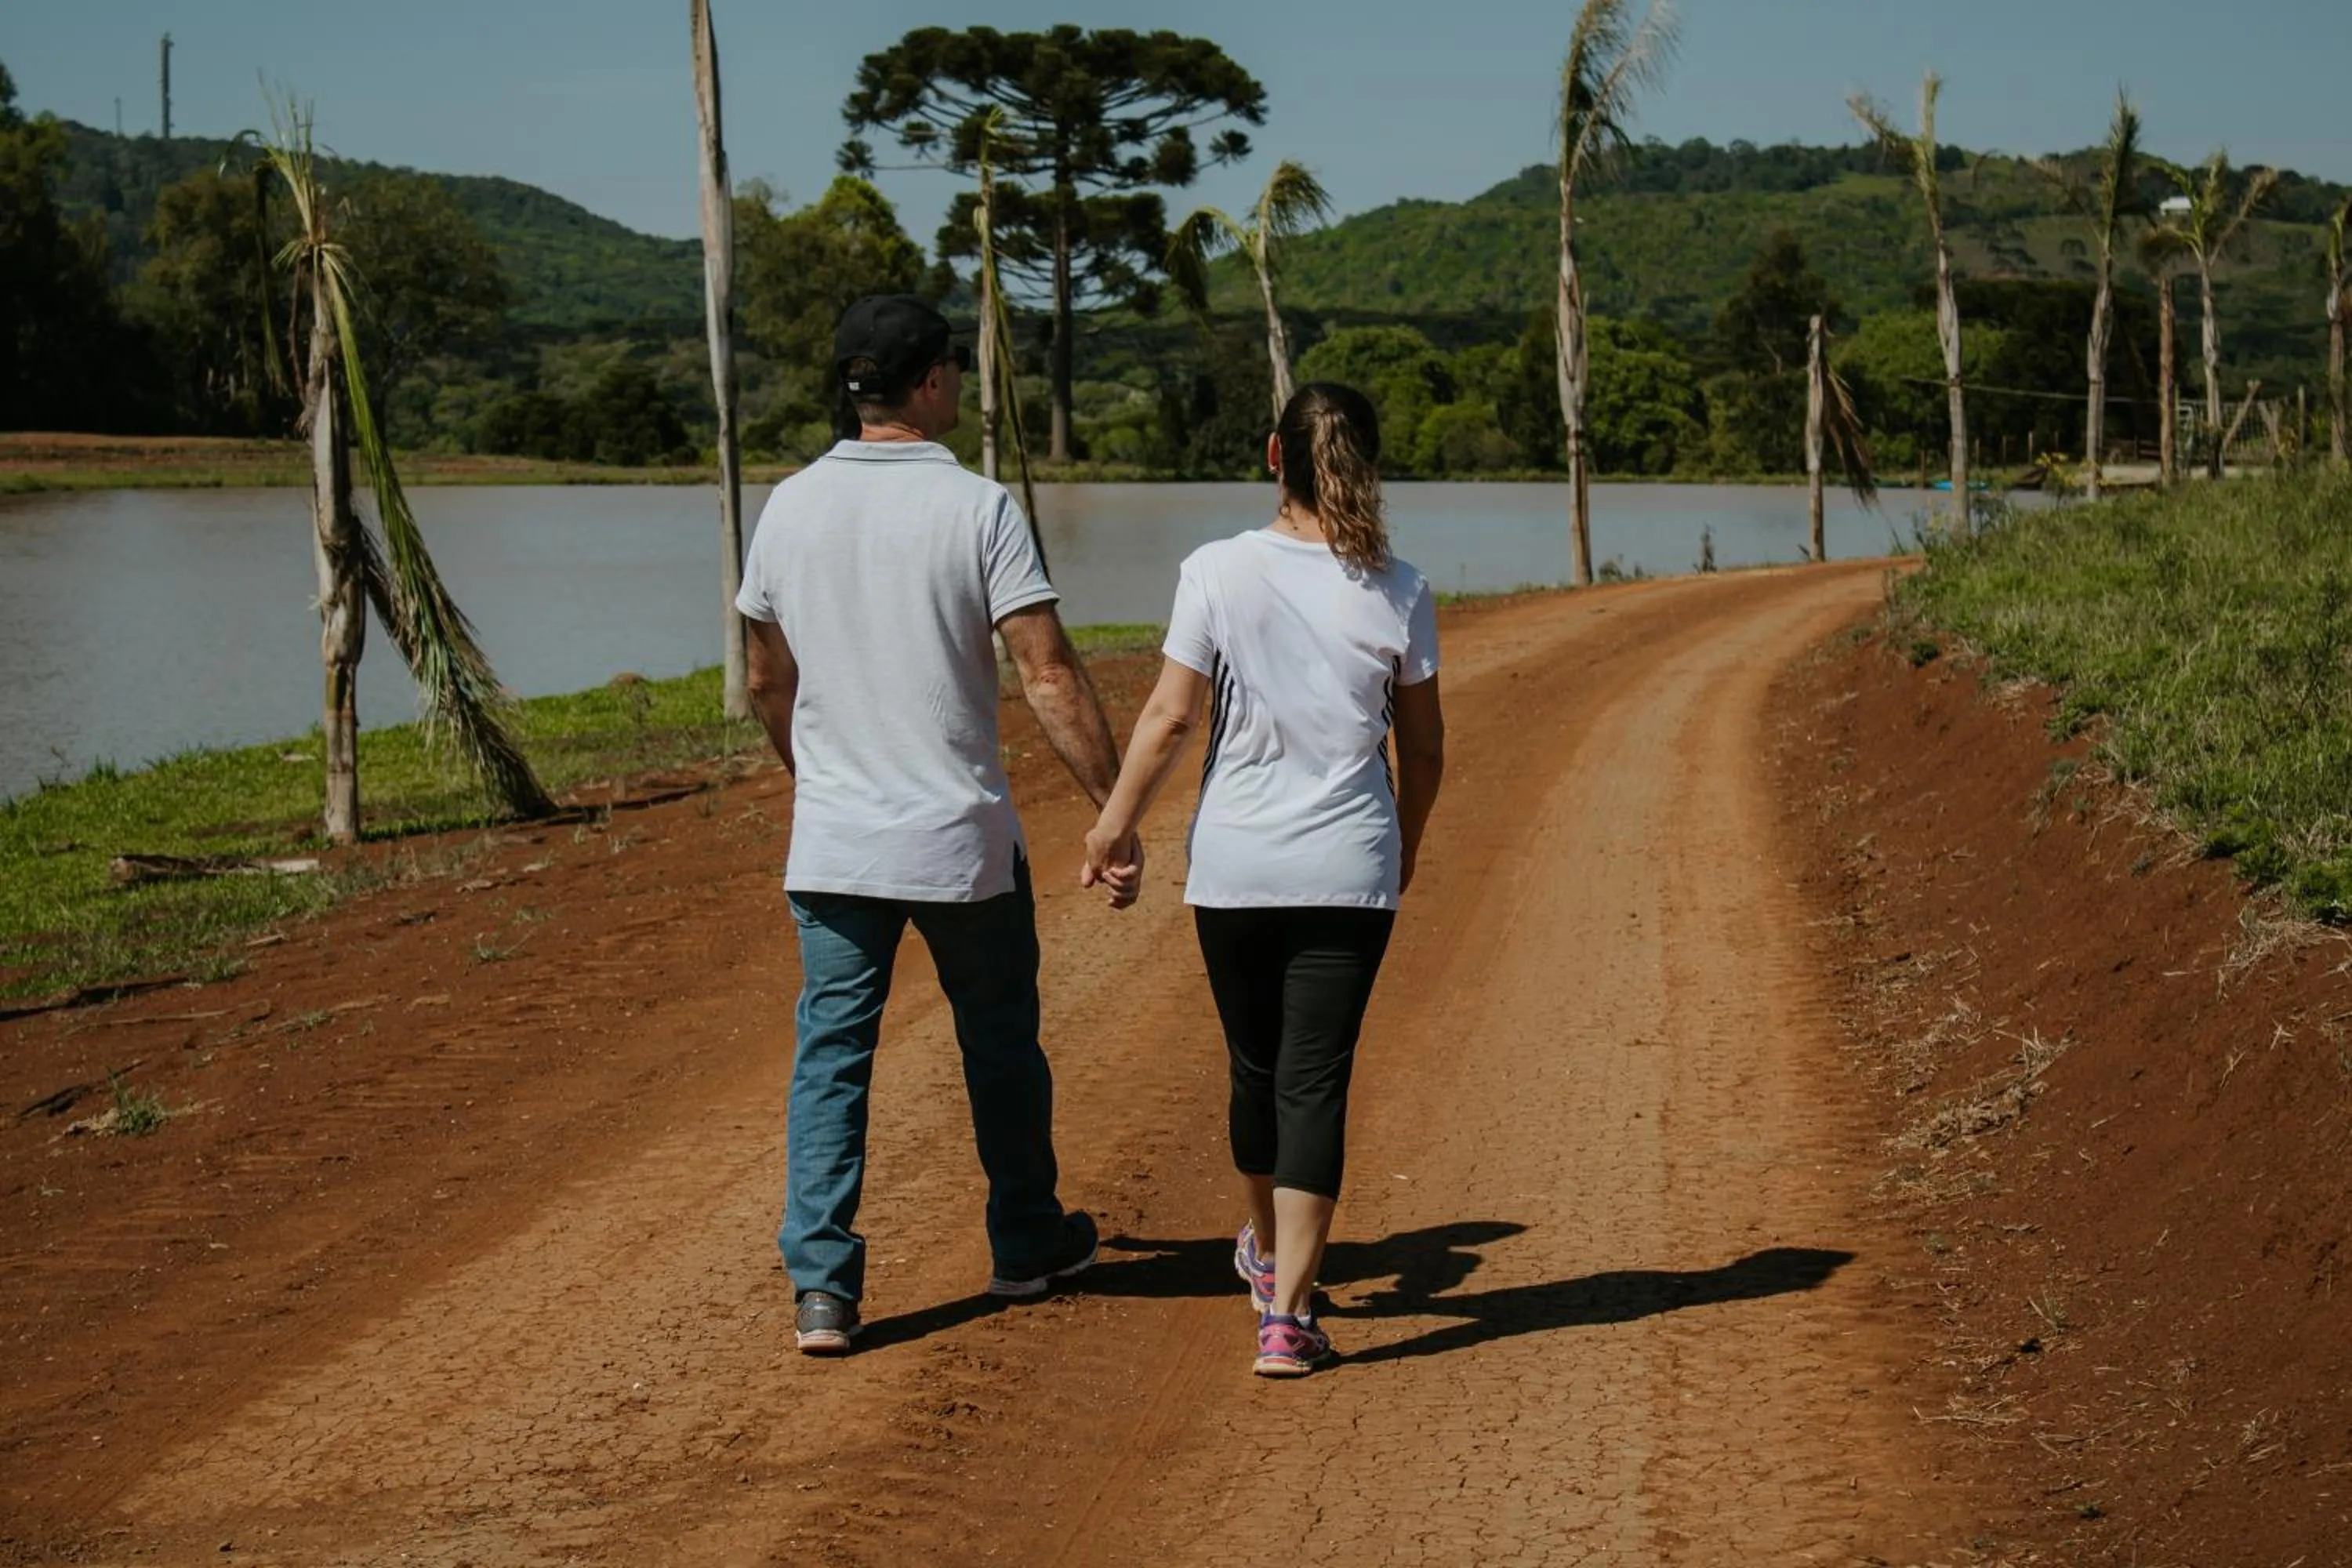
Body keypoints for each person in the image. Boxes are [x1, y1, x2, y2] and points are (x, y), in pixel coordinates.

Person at [736, 294, 1141, 1356]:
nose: (961, 381)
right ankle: (1025, 1243)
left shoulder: (786, 507)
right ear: (925, 383)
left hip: (836, 843)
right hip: (958, 841)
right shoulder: (978, 506)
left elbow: (764, 678)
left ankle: (823, 1288)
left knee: (832, 1054)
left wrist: (814, 773)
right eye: (954, 366)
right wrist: (1117, 806)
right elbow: (1047, 674)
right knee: (1000, 1043)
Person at [1080, 382, 1446, 1376]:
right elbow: (1425, 747)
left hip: (1237, 868)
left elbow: (1167, 717)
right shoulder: (1400, 586)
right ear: (1366, 463)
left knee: (1256, 1068)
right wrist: (1403, 842)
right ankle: (1286, 1314)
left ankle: (1269, 1251)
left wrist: (1112, 826)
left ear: (1272, 457)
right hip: (1348, 868)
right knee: (1313, 1078)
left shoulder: (1215, 571)